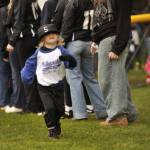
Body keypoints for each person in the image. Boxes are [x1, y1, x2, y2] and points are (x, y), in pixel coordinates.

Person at [21, 24, 77, 139]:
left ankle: (56, 124)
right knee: (49, 108)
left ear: (58, 37)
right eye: (47, 34)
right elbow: (29, 65)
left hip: (59, 85)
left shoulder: (61, 50)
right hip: (43, 86)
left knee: (60, 110)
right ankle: (52, 130)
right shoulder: (38, 53)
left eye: (54, 33)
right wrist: (27, 77)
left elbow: (71, 63)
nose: (51, 35)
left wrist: (70, 61)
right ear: (42, 39)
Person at [91, 0, 138, 126]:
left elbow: (124, 21)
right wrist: (96, 41)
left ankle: (118, 116)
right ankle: (129, 113)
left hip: (113, 40)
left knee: (108, 79)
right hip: (105, 40)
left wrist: (117, 47)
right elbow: (100, 20)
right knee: (118, 77)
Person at [61, 0, 107, 120]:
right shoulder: (93, 2)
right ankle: (102, 110)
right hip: (89, 43)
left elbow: (67, 25)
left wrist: (62, 45)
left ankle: (80, 114)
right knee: (90, 78)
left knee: (74, 79)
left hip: (74, 43)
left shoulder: (73, 3)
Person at [6, 0, 44, 113]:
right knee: (30, 72)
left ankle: (33, 107)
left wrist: (12, 41)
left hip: (24, 39)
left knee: (27, 73)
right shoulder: (32, 1)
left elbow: (19, 21)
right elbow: (39, 18)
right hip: (30, 38)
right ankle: (36, 105)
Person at [0, 0, 12, 110]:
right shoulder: (4, 10)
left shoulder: (3, 10)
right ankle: (4, 100)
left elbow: (4, 33)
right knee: (5, 74)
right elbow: (4, 32)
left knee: (4, 75)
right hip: (3, 46)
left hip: (3, 46)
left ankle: (3, 100)